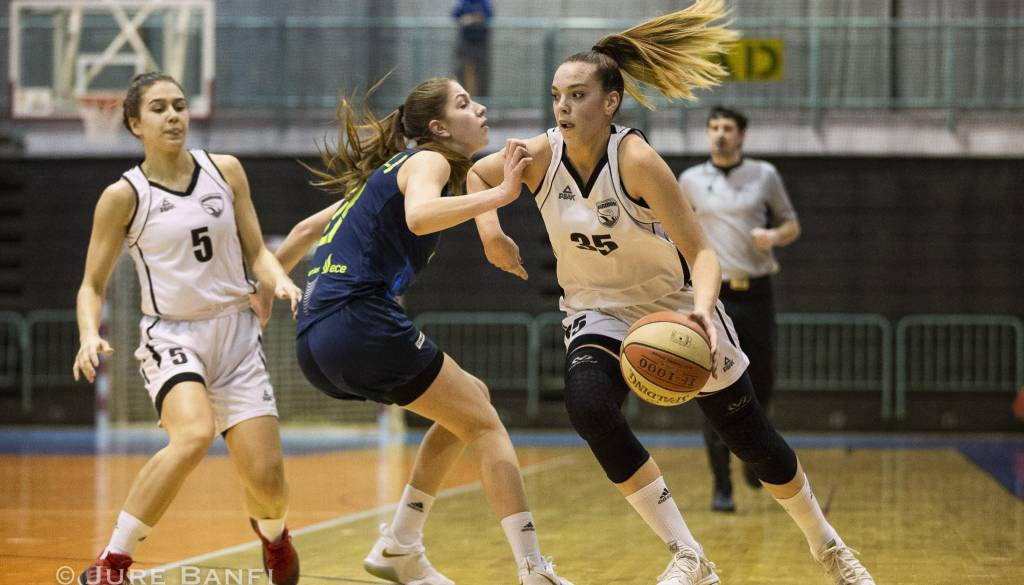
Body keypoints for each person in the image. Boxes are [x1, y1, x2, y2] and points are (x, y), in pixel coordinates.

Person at [467, 1, 875, 584]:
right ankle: (689, 555)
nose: (562, 106)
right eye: (557, 95)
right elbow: (479, 174)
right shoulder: (540, 155)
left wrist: (703, 312)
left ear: (611, 102)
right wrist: (490, 232)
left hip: (675, 309)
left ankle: (828, 546)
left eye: (578, 95)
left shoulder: (636, 159)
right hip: (596, 313)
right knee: (589, 407)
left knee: (753, 442)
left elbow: (702, 253)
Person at [252, 77, 573, 585]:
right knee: (486, 426)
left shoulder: (386, 175)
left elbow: (305, 231)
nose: (480, 108)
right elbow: (420, 218)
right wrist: (504, 192)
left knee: (470, 404)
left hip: (315, 341)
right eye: (465, 103)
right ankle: (533, 570)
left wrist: (265, 288)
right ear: (439, 128)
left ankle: (400, 543)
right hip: (359, 321)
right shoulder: (430, 161)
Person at [71, 73, 303, 585]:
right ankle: (112, 562)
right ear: (135, 123)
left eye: (179, 105)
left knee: (269, 484)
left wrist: (279, 280)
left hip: (236, 337)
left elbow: (257, 252)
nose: (173, 115)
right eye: (158, 108)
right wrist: (89, 333)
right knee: (194, 434)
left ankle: (274, 537)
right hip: (172, 336)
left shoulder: (226, 171)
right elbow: (91, 284)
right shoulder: (123, 196)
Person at [679, 106, 801, 513]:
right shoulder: (690, 180)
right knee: (712, 385)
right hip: (715, 296)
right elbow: (674, 229)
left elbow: (792, 224)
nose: (720, 134)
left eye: (727, 128)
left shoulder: (764, 175)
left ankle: (755, 456)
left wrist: (774, 235)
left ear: (741, 135)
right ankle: (722, 486)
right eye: (714, 127)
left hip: (757, 293)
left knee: (762, 384)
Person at [452, 0, 494, 97]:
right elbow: (455, 14)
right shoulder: (464, 2)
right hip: (465, 42)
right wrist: (466, 18)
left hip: (481, 43)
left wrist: (475, 18)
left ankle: (483, 100)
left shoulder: (484, 2)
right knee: (461, 71)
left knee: (482, 73)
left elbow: (489, 15)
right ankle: (461, 98)